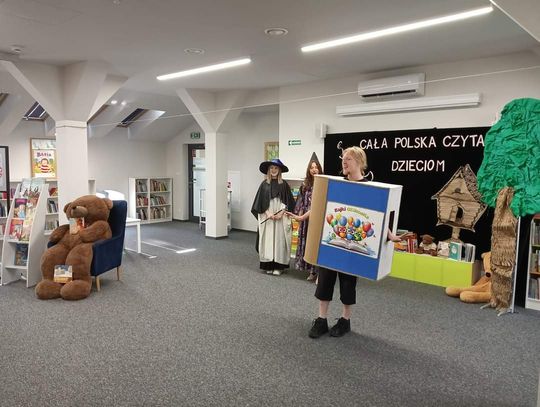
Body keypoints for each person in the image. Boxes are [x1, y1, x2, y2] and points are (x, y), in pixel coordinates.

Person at [308, 146, 407, 339]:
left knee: (347, 284)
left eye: (349, 159)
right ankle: (321, 319)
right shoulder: (336, 185)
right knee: (325, 280)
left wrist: (390, 235)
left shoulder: (371, 189)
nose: (344, 162)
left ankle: (345, 320)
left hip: (353, 248)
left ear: (360, 162)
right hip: (333, 244)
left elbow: (377, 216)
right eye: (343, 159)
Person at [251, 158, 295, 276]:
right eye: (271, 168)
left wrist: (281, 213)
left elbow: (289, 202)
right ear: (268, 170)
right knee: (268, 239)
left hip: (281, 217)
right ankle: (268, 265)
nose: (274, 170)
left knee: (279, 240)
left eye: (276, 168)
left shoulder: (284, 185)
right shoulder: (264, 184)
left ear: (279, 170)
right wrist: (268, 213)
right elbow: (259, 203)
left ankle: (279, 266)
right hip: (268, 216)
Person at [286, 153, 323, 281]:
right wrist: (299, 216)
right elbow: (300, 202)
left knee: (316, 245)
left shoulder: (323, 184)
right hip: (307, 221)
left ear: (319, 169)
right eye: (312, 167)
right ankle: (311, 271)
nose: (314, 169)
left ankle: (318, 271)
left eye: (316, 167)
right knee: (308, 244)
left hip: (317, 219)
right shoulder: (305, 184)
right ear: (309, 169)